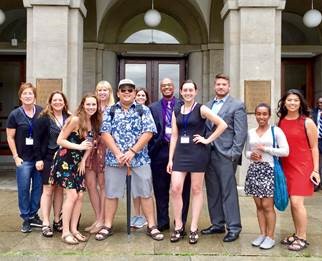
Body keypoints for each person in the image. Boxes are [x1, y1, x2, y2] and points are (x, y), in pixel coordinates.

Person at [96, 79, 164, 241]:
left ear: (134, 93)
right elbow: (105, 133)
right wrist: (119, 153)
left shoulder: (143, 110)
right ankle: (107, 226)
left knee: (146, 193)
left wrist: (132, 151)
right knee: (111, 194)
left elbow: (148, 132)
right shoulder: (110, 110)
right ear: (118, 93)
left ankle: (152, 226)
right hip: (115, 160)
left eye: (130, 91)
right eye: (123, 91)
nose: (127, 93)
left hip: (139, 159)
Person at [167, 80, 227, 244]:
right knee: (176, 188)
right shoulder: (176, 109)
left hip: (197, 153)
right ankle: (179, 225)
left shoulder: (201, 108)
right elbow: (174, 135)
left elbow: (222, 124)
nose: (187, 92)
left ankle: (193, 227)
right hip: (180, 153)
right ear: (181, 92)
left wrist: (208, 140)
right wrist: (170, 159)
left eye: (190, 90)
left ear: (196, 91)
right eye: (185, 90)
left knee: (196, 189)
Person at [202, 73, 247, 242]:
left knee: (228, 191)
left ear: (229, 87)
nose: (220, 87)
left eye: (224, 84)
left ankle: (234, 227)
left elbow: (240, 132)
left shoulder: (237, 105)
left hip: (226, 155)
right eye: (218, 84)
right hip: (209, 154)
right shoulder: (207, 105)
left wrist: (234, 154)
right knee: (213, 191)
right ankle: (217, 224)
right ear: (214, 86)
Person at [50, 94, 101, 245]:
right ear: (83, 105)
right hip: (65, 161)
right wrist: (78, 146)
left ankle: (74, 230)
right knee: (71, 195)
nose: (91, 107)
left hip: (78, 163)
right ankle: (65, 232)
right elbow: (60, 140)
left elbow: (90, 145)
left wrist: (84, 160)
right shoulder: (75, 120)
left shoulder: (93, 122)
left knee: (79, 196)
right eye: (88, 104)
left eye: (94, 105)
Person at [277, 89, 320, 251]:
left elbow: (315, 147)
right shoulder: (281, 121)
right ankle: (297, 233)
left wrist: (315, 170)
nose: (292, 103)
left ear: (301, 102)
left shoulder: (307, 122)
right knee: (292, 204)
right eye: (289, 100)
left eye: (296, 100)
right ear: (284, 102)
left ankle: (302, 237)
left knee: (297, 202)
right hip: (286, 166)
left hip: (303, 167)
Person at [149, 78, 191, 232]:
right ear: (161, 88)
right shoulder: (153, 108)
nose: (167, 87)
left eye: (169, 85)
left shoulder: (184, 105)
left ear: (174, 88)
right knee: (160, 189)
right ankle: (162, 222)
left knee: (181, 189)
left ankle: (180, 222)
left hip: (181, 151)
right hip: (160, 152)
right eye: (163, 85)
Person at [244, 103, 289, 249]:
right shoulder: (250, 132)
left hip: (269, 170)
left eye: (264, 114)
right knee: (258, 206)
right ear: (255, 115)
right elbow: (246, 152)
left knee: (267, 206)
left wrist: (266, 149)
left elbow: (285, 151)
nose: (261, 117)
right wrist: (252, 155)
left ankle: (270, 236)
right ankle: (262, 234)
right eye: (258, 114)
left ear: (269, 115)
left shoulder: (276, 131)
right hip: (255, 170)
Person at [6, 82, 43, 233]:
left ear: (35, 97)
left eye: (31, 94)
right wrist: (15, 157)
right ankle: (26, 218)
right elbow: (10, 137)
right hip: (23, 159)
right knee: (23, 189)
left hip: (38, 158)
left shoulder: (41, 112)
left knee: (38, 188)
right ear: (20, 96)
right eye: (25, 94)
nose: (28, 96)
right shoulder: (15, 115)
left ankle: (34, 214)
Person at [34, 91, 71, 237]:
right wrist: (38, 159)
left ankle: (57, 220)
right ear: (50, 102)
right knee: (48, 190)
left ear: (64, 102)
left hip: (64, 159)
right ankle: (45, 223)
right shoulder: (43, 118)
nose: (57, 102)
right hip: (48, 158)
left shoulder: (68, 117)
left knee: (60, 190)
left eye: (60, 100)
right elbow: (36, 140)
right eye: (54, 100)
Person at [84, 81, 115, 234]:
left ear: (110, 92)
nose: (102, 92)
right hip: (91, 149)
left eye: (105, 90)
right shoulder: (92, 107)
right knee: (90, 184)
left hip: (106, 150)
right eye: (99, 90)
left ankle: (103, 220)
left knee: (103, 186)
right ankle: (97, 218)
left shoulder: (113, 109)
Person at [130, 88, 150, 229]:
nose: (141, 97)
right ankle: (137, 215)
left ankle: (147, 217)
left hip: (143, 155)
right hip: (129, 156)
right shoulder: (131, 111)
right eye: (139, 95)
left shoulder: (147, 111)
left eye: (143, 95)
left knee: (145, 189)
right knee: (134, 188)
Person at [311, 96, 322, 191]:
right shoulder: (313, 112)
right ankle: (316, 184)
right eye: (319, 103)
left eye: (321, 103)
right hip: (316, 140)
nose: (320, 104)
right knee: (316, 162)